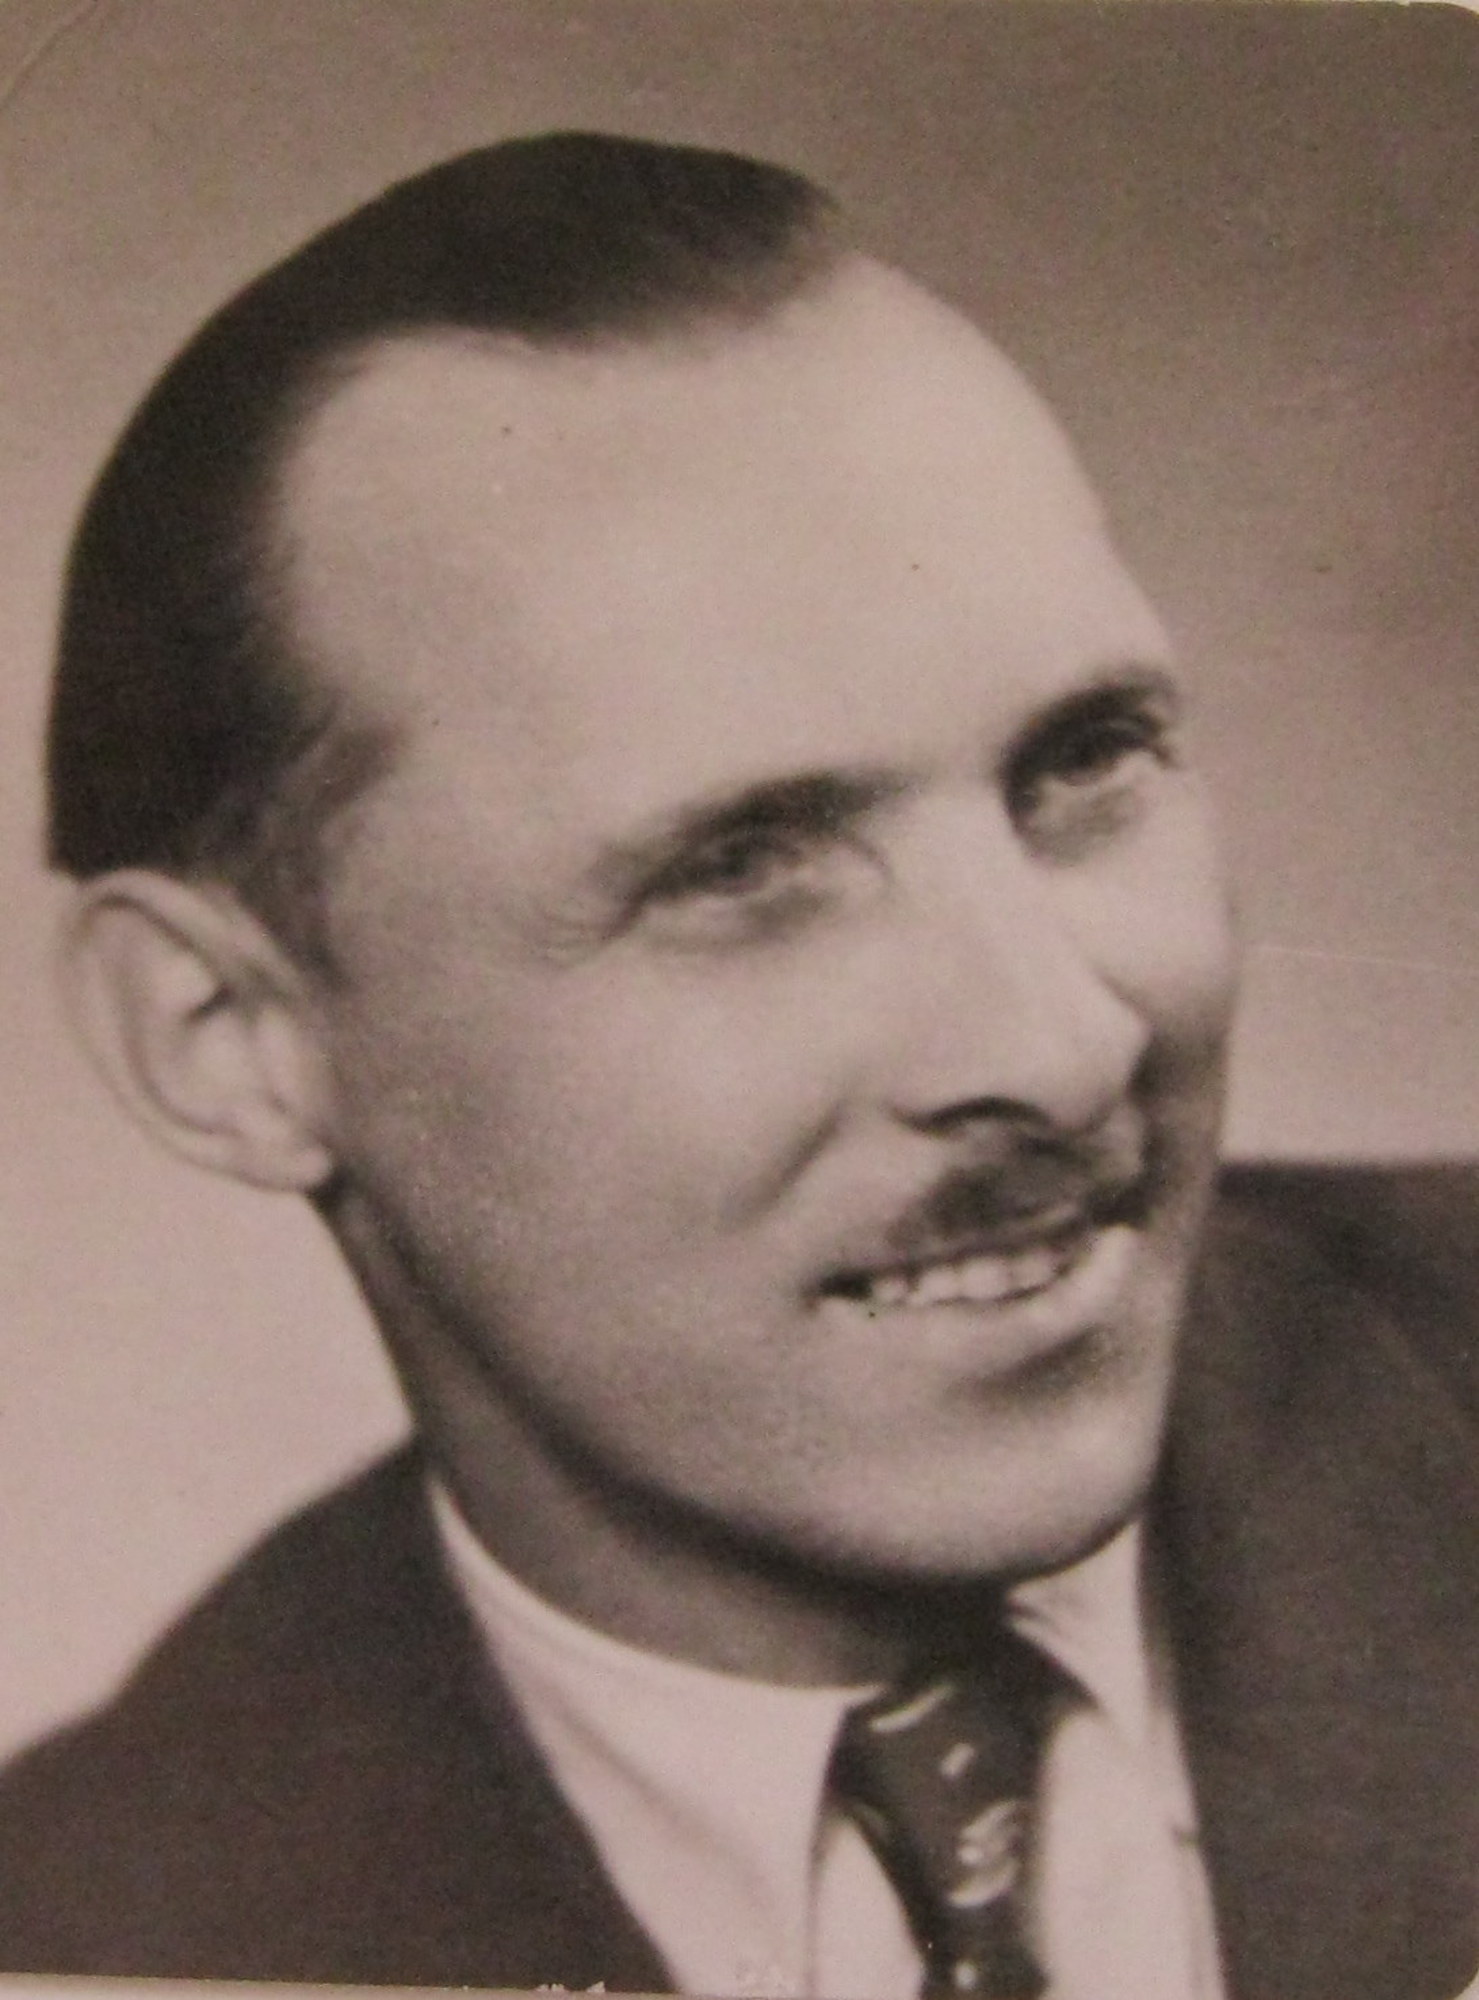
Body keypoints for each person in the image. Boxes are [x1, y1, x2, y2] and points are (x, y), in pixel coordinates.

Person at [0, 132, 1472, 2000]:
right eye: (741, 868)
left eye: (1084, 761)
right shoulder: (90, 1923)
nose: (1060, 1043)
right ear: (230, 1041)